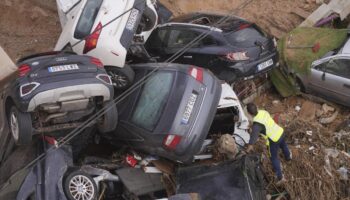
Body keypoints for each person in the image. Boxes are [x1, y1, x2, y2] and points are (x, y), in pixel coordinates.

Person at [245, 103, 291, 184]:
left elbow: (252, 140)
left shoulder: (256, 125)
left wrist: (247, 150)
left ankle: (280, 178)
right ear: (257, 107)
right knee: (283, 145)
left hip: (273, 139)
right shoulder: (263, 112)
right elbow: (265, 123)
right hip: (280, 131)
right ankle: (288, 157)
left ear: (249, 113)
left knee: (273, 158)